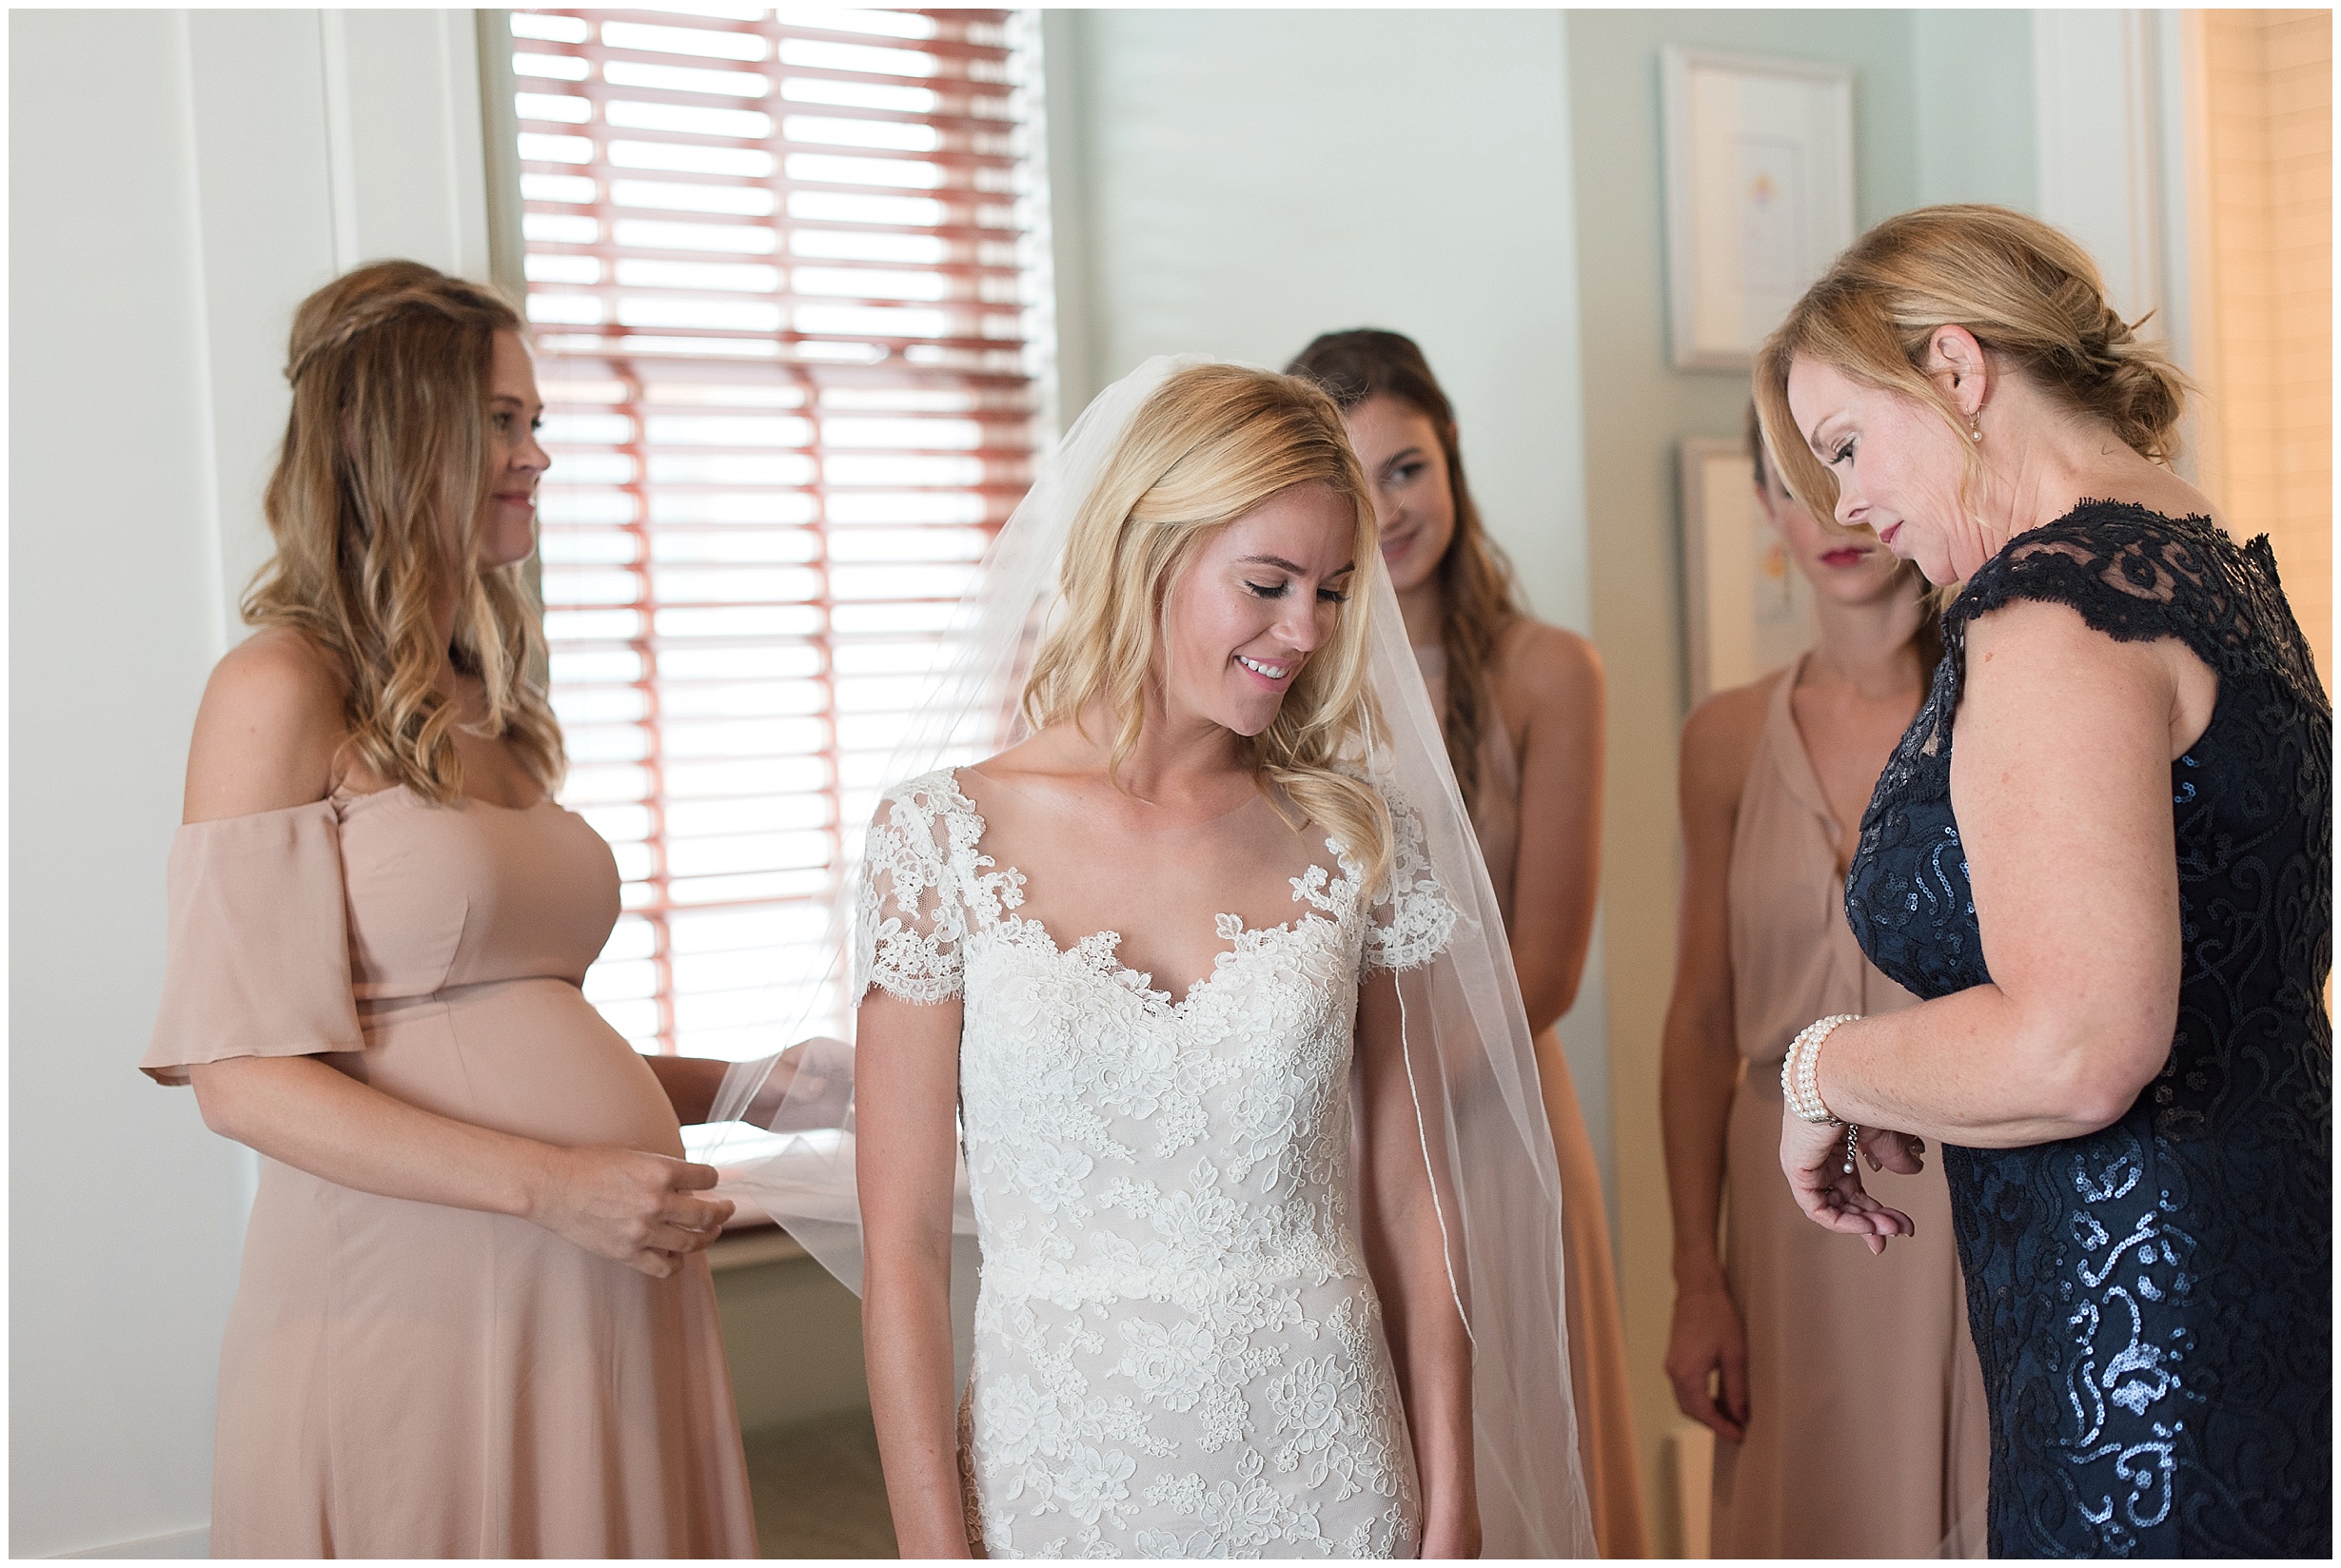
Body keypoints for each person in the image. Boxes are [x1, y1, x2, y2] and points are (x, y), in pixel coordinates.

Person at [820, 359, 1593, 1558]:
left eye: (1335, 591)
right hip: (1061, 1473)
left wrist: (1449, 1495)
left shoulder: (1354, 834)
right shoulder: (942, 842)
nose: (1307, 632)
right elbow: (908, 1250)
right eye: (1269, 583)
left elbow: (1408, 1193)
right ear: (1149, 552)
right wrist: (934, 1546)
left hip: (1331, 1462)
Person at [141, 262, 760, 1558]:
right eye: (501, 421)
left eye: (534, 420)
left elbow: (496, 1032)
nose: (538, 452)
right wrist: (553, 1188)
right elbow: (243, 1078)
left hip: (589, 1277)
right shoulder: (277, 685)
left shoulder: (488, 696)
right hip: (415, 1290)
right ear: (384, 429)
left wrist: (760, 1085)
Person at [1757, 205, 2330, 1557]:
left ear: (1955, 371)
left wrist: (1825, 1067)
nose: (1845, 502)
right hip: (2269, 1264)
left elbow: (2078, 1046)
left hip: (2142, 1343)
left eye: (1846, 445)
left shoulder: (2052, 607)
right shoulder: (2202, 554)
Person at [1285, 329, 1643, 1558]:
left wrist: (1400, 1114)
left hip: (1489, 1119)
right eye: (1354, 475)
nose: (1388, 508)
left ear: (1452, 465)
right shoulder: (1285, 676)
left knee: (1515, 1450)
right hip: (1310, 1126)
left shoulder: (1551, 672)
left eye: (1408, 468)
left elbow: (1546, 965)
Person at [1657, 405, 1986, 1556]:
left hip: (1967, 1186)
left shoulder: (2001, 707)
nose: (1827, 512)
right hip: (1781, 1215)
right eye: (1788, 483)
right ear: (1761, 508)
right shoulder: (1723, 739)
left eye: (1841, 470)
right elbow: (1700, 1024)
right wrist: (1697, 1273)